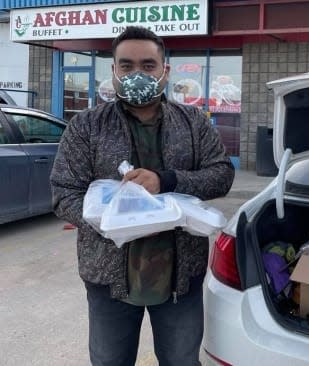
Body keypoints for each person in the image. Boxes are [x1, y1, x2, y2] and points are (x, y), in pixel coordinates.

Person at [50, 26, 235, 366]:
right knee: (110, 361)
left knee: (181, 360)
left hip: (181, 276)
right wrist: (117, 222)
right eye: (127, 65)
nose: (137, 74)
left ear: (165, 71)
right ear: (114, 71)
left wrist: (166, 181)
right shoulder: (87, 126)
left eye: (148, 65)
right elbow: (64, 193)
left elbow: (221, 175)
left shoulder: (193, 122)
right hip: (109, 278)